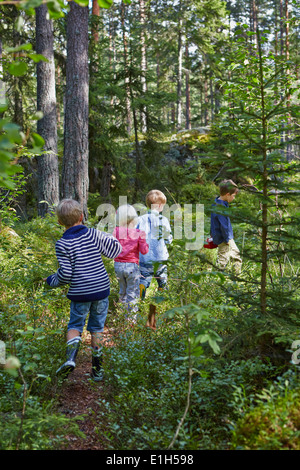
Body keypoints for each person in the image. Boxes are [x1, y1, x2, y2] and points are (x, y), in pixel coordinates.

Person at [45, 199, 122, 381]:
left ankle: (71, 359)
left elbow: (65, 275)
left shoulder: (62, 244)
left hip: (80, 293)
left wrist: (51, 281)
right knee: (97, 329)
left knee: (75, 326)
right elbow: (115, 251)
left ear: (60, 222)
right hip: (101, 290)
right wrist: (110, 237)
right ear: (81, 216)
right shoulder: (94, 234)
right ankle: (97, 370)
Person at [112, 204, 149, 322]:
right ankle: (130, 322)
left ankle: (121, 318)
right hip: (132, 266)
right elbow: (144, 251)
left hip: (118, 265)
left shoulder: (115, 231)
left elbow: (111, 247)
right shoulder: (139, 233)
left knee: (122, 291)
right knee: (132, 293)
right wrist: (144, 241)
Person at [137, 190, 173, 299]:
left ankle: (141, 293)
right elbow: (168, 239)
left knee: (143, 278)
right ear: (160, 205)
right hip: (161, 257)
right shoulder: (164, 220)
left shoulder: (139, 219)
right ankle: (161, 299)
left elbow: (135, 237)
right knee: (162, 278)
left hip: (145, 257)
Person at [210, 179, 242, 274]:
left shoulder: (216, 203)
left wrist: (212, 234)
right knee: (232, 259)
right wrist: (227, 239)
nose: (234, 198)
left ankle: (219, 278)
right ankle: (236, 277)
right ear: (227, 194)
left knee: (224, 258)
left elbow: (213, 222)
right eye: (233, 196)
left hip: (220, 237)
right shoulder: (221, 208)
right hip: (224, 238)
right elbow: (224, 226)